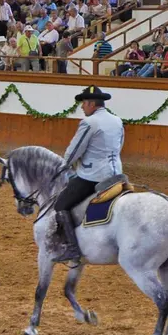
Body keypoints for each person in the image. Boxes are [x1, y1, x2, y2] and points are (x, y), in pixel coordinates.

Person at [53, 86, 125, 263]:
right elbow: (120, 145)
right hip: (116, 174)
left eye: (84, 103)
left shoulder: (89, 123)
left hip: (94, 176)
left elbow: (74, 151)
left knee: (60, 205)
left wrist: (65, 166)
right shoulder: (117, 120)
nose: (82, 107)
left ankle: (73, 249)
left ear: (92, 104)